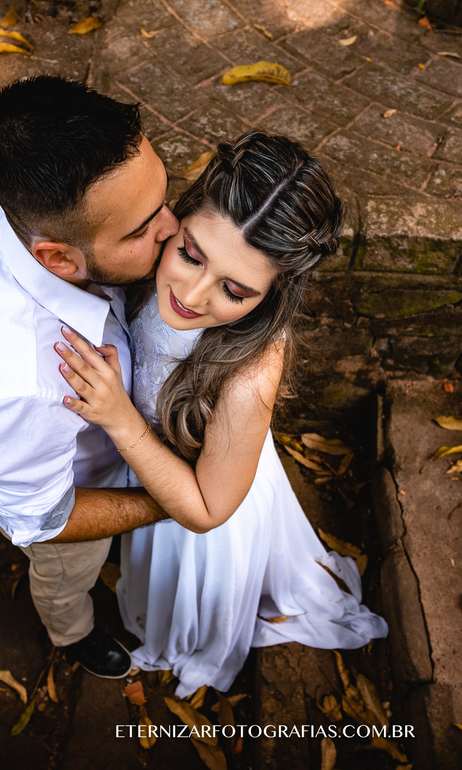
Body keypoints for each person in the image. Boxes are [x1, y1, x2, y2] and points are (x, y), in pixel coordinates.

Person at [54, 131, 388, 695]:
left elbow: (208, 509)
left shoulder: (253, 369)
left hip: (199, 499)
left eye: (234, 290)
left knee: (178, 591)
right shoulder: (145, 262)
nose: (192, 293)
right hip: (148, 482)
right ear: (175, 218)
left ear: (274, 295)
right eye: (189, 253)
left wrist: (120, 420)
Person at [0, 76, 179, 680]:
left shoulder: (24, 180)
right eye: (141, 231)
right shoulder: (22, 386)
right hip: (75, 496)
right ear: (59, 260)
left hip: (109, 450)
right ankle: (71, 635)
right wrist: (170, 501)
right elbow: (41, 519)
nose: (173, 230)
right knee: (68, 577)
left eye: (162, 199)